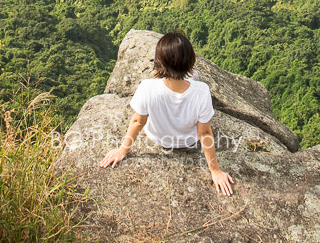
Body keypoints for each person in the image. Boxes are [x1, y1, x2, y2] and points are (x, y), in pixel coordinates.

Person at [99, 30, 235, 196]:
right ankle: (187, 75)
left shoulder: (147, 87)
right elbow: (204, 131)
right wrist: (215, 170)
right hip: (189, 140)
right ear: (190, 61)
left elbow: (137, 122)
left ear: (158, 63)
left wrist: (122, 150)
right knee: (195, 77)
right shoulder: (201, 91)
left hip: (158, 138)